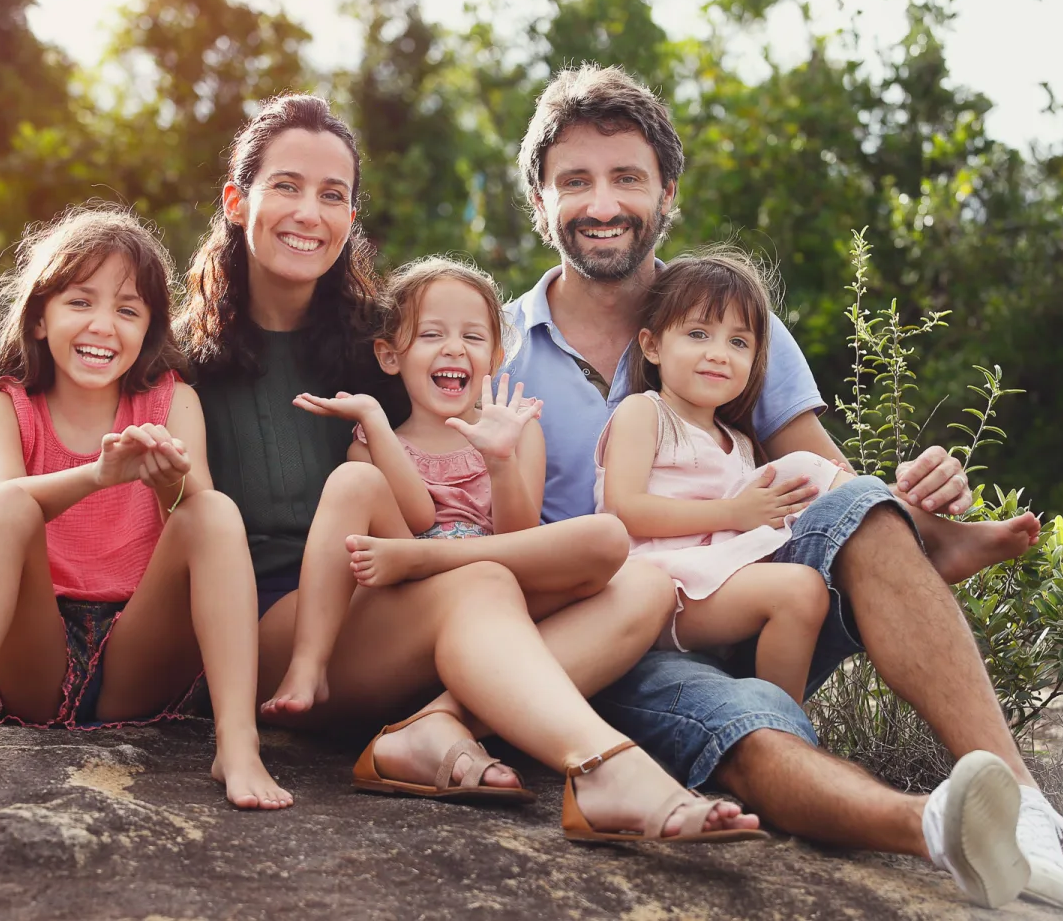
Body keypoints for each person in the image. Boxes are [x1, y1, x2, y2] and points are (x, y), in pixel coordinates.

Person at [503, 64, 1063, 908]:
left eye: (627, 177)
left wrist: (900, 510)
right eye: (575, 181)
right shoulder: (499, 345)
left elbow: (826, 485)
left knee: (860, 502)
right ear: (541, 201)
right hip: (620, 638)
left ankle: (1022, 801)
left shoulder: (729, 316)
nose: (602, 203)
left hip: (757, 585)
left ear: (667, 194)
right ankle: (936, 825)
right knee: (743, 725)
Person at [182, 94, 762, 842]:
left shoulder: (374, 343)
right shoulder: (186, 363)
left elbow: (452, 465)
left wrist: (498, 459)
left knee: (644, 587)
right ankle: (604, 768)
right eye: (287, 187)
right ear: (238, 201)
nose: (309, 213)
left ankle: (433, 728)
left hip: (413, 608)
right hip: (284, 635)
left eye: (333, 195)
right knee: (478, 576)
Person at [0, 203, 291, 811]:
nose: (102, 326)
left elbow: (194, 526)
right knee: (11, 506)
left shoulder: (173, 403)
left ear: (149, 329)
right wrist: (100, 475)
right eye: (80, 302)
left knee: (214, 510)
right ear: (39, 318)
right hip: (34, 658)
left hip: (137, 659)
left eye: (127, 310)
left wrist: (169, 483)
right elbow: (0, 511)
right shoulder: (5, 407)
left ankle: (238, 744)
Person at [266, 256, 642, 717]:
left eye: (472, 336)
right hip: (409, 602)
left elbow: (519, 536)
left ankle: (448, 714)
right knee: (353, 480)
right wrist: (377, 426)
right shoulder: (372, 443)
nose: (454, 349)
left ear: (497, 357)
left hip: (495, 588)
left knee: (606, 536)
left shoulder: (518, 430)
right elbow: (420, 518)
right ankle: (308, 665)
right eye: (431, 334)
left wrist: (500, 461)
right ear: (389, 355)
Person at [597, 251, 850, 702]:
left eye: (739, 343)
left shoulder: (739, 441)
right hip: (662, 590)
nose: (718, 354)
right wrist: (733, 511)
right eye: (698, 334)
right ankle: (785, 733)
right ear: (652, 346)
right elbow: (624, 510)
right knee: (798, 593)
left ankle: (896, 513)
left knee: (808, 476)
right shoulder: (645, 412)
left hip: (717, 579)